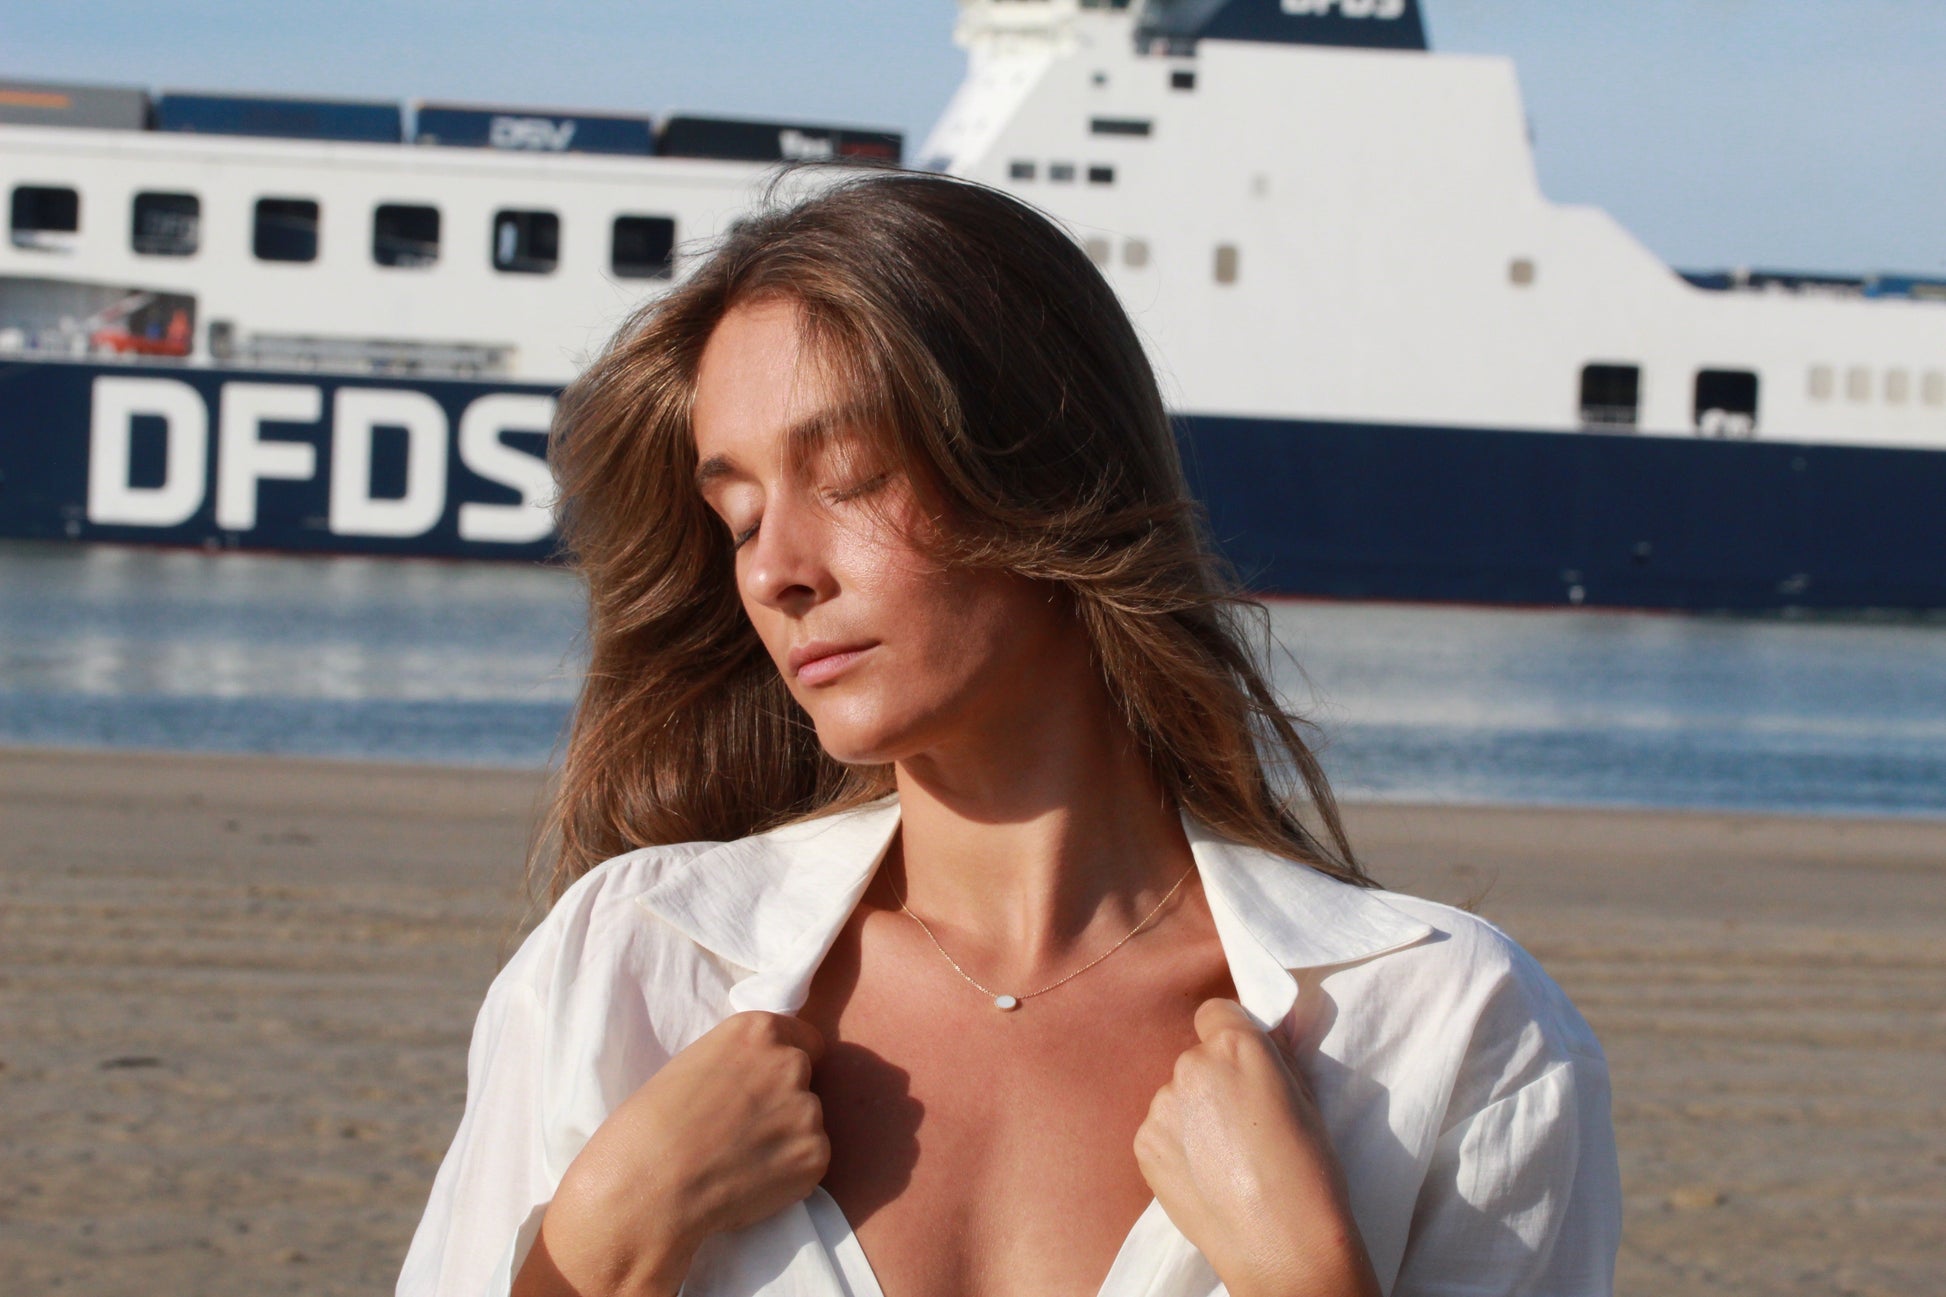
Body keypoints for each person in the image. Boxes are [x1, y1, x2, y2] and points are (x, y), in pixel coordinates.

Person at [398, 171, 1620, 1297]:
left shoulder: (1443, 1028)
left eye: (851, 475)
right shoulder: (630, 963)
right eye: (740, 515)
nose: (775, 570)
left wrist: (1305, 1276)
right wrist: (601, 1237)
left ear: (1047, 472)